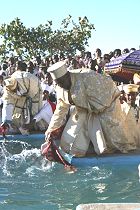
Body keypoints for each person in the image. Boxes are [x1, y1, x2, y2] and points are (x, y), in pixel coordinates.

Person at [41, 61, 140, 161]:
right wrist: (50, 129)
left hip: (107, 106)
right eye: (58, 83)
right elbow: (60, 110)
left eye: (62, 82)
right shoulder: (60, 88)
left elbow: (109, 85)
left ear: (67, 76)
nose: (61, 85)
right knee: (70, 138)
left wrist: (97, 107)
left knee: (113, 138)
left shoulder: (87, 76)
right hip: (83, 111)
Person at [1, 61, 43, 135]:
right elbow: (7, 103)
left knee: (27, 117)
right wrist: (5, 121)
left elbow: (7, 103)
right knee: (18, 119)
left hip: (28, 100)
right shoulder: (9, 86)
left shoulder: (25, 79)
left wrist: (6, 121)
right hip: (24, 102)